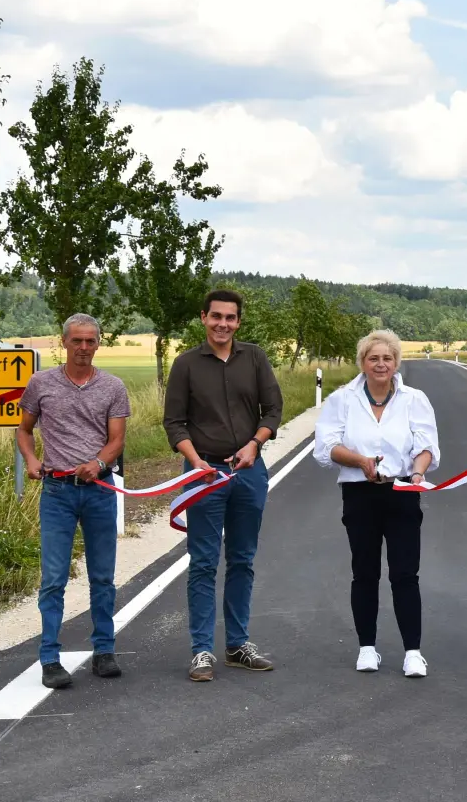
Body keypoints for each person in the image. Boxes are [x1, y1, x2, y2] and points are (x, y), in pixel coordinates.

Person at [163, 288, 285, 682]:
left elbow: (273, 410)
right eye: (216, 316)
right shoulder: (185, 364)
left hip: (248, 472)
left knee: (242, 560)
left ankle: (237, 645)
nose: (223, 324)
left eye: (230, 318)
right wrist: (195, 461)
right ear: (204, 317)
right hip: (204, 474)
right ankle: (201, 651)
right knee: (203, 562)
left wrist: (255, 444)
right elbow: (174, 422)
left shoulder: (255, 358)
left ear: (238, 321)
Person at [313, 329, 440, 678]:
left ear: (396, 362)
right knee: (365, 573)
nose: (381, 364)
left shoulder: (415, 399)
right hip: (359, 494)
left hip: (402, 492)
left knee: (405, 574)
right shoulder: (342, 399)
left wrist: (418, 472)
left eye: (387, 358)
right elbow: (327, 447)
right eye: (373, 358)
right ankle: (367, 648)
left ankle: (413, 653)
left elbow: (427, 446)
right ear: (363, 363)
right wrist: (360, 461)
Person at [16, 313, 131, 690]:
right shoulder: (41, 383)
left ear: (98, 344)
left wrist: (99, 464)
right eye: (77, 340)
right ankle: (50, 658)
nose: (83, 347)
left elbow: (117, 440)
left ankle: (104, 651)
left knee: (102, 576)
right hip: (58, 492)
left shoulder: (113, 387)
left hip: (100, 491)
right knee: (53, 578)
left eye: (90, 341)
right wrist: (31, 460)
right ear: (63, 342)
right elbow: (24, 430)